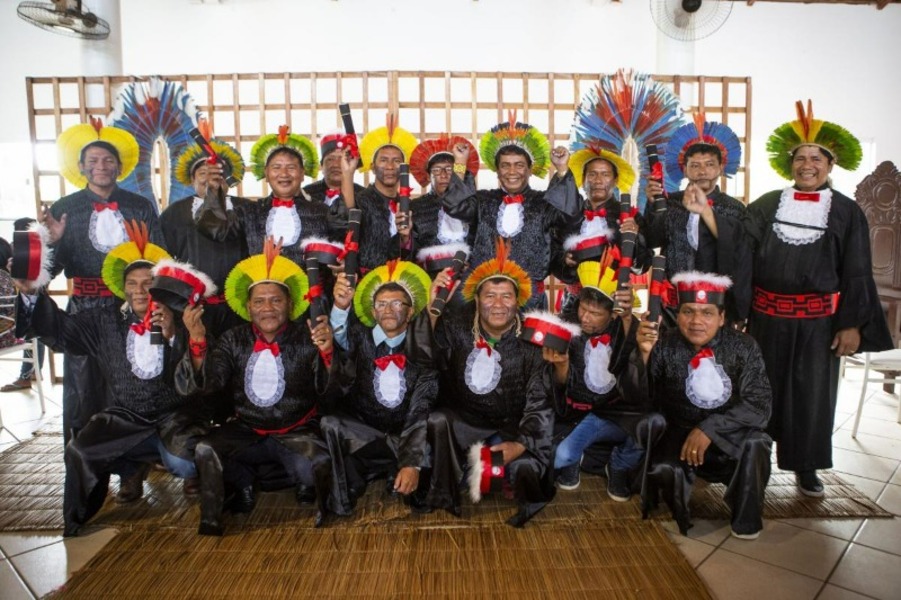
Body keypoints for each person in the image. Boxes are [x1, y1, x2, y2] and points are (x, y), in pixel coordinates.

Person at [16, 225, 208, 537]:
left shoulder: (182, 319)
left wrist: (175, 334)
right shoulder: (103, 320)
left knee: (190, 462)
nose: (139, 290)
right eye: (132, 283)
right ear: (122, 287)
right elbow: (61, 331)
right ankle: (89, 508)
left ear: (158, 287)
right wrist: (30, 291)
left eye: (148, 283)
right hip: (125, 417)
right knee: (80, 450)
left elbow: (201, 377)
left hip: (175, 416)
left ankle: (184, 472)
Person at [745, 101, 893, 496]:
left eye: (816, 158)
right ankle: (753, 463)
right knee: (760, 390)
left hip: (818, 325)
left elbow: (858, 270)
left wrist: (851, 325)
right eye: (800, 158)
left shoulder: (846, 212)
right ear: (788, 164)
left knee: (811, 397)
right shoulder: (766, 204)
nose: (807, 164)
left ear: (831, 164)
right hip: (765, 320)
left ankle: (806, 467)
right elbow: (741, 253)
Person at [178, 238, 335, 536]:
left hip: (297, 430)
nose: (268, 308)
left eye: (276, 300)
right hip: (247, 429)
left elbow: (330, 390)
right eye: (259, 302)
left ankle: (313, 499)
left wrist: (328, 354)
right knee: (205, 448)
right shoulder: (232, 339)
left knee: (320, 463)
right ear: (248, 306)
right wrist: (198, 340)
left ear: (290, 304)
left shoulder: (308, 336)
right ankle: (218, 515)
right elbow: (211, 384)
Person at [42, 120, 163, 443]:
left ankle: (132, 469)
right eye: (93, 161)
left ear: (120, 166)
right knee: (84, 391)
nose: (101, 167)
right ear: (80, 166)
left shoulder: (139, 206)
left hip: (132, 308)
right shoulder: (65, 209)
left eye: (108, 160)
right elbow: (48, 270)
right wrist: (51, 242)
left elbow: (161, 258)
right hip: (84, 310)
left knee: (133, 383)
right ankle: (83, 461)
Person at [631, 271, 773, 539]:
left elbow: (759, 405)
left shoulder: (744, 347)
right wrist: (645, 355)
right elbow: (645, 399)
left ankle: (746, 519)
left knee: (758, 442)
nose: (696, 321)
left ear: (721, 318)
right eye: (688, 312)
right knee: (663, 466)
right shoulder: (665, 342)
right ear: (679, 313)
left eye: (707, 313)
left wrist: (710, 428)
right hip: (680, 435)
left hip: (729, 438)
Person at [424, 239, 555, 526]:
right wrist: (433, 308)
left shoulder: (532, 341)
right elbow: (427, 356)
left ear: (517, 300)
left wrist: (520, 444)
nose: (498, 304)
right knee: (437, 420)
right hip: (465, 424)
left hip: (510, 427)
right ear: (477, 299)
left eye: (506, 296)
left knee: (515, 474)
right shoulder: (457, 325)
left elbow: (540, 401)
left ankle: (493, 466)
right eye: (490, 296)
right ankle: (448, 486)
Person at [324, 260, 438, 515]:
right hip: (366, 433)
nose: (388, 309)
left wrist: (412, 463)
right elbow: (338, 334)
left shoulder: (421, 349)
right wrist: (341, 305)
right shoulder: (357, 336)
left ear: (410, 312)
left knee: (435, 436)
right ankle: (350, 486)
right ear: (373, 312)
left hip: (405, 435)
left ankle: (401, 470)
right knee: (330, 423)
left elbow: (421, 408)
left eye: (397, 303)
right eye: (382, 304)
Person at [442, 114, 582, 310]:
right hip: (486, 301)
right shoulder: (483, 200)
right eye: (505, 166)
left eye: (519, 165)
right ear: (497, 171)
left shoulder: (544, 203)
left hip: (531, 301)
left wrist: (561, 169)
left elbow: (570, 215)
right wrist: (459, 163)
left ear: (529, 169)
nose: (512, 171)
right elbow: (456, 206)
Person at [544, 252, 646, 502]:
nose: (585, 317)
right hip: (575, 414)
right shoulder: (565, 327)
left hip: (614, 416)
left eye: (595, 313)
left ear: (612, 315)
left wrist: (627, 319)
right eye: (583, 308)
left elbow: (634, 374)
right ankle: (582, 455)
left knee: (649, 427)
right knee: (559, 457)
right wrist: (562, 366)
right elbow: (556, 387)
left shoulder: (625, 329)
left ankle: (618, 463)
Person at [645, 114, 750, 323]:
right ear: (684, 170)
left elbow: (740, 255)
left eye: (709, 164)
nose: (702, 171)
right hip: (672, 304)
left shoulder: (735, 208)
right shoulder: (670, 202)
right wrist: (653, 205)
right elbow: (652, 239)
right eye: (694, 165)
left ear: (721, 168)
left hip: (715, 304)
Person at [195, 125, 332, 268]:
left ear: (303, 174)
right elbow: (215, 229)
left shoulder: (323, 211)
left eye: (291, 167)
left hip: (311, 289)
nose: (284, 174)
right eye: (276, 167)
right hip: (262, 289)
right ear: (266, 174)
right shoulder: (250, 212)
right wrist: (214, 189)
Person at [160, 119, 249, 337]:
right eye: (203, 174)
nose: (210, 181)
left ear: (228, 179)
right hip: (190, 309)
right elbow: (163, 260)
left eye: (216, 175)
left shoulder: (248, 209)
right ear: (191, 180)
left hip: (240, 309)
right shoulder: (173, 213)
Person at [551, 144, 649, 316]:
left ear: (615, 180)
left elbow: (642, 266)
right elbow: (552, 255)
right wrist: (564, 261)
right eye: (592, 174)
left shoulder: (630, 216)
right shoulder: (570, 213)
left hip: (614, 302)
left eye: (605, 175)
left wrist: (633, 239)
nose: (598, 180)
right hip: (574, 302)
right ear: (583, 178)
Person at [339, 114, 419, 273]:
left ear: (404, 168)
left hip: (399, 281)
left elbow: (411, 251)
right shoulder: (362, 199)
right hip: (366, 281)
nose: (390, 166)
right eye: (383, 160)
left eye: (397, 161)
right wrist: (347, 174)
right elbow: (347, 216)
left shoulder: (409, 206)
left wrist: (405, 237)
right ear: (373, 166)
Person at [408, 135, 479, 250]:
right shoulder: (415, 207)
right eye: (436, 170)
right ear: (427, 176)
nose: (443, 175)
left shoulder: (473, 204)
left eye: (450, 170)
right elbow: (409, 250)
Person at [303, 132, 365, 238]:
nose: (336, 164)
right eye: (330, 159)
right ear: (321, 166)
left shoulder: (364, 195)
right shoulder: (306, 193)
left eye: (342, 159)